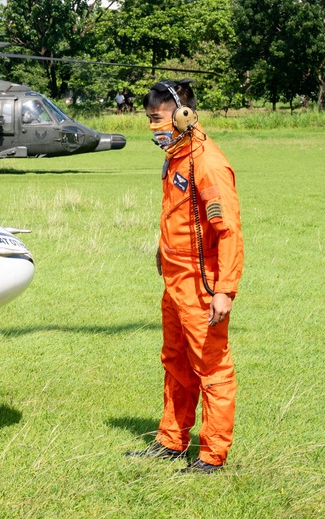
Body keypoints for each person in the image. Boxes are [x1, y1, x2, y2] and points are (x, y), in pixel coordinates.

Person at [127, 79, 244, 474]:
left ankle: (212, 455)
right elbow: (179, 215)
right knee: (175, 360)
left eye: (157, 118)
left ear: (183, 115)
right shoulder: (176, 156)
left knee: (211, 368)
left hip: (202, 282)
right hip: (175, 279)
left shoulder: (207, 163)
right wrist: (163, 252)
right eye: (148, 119)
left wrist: (225, 290)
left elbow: (228, 231)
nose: (152, 127)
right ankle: (171, 441)